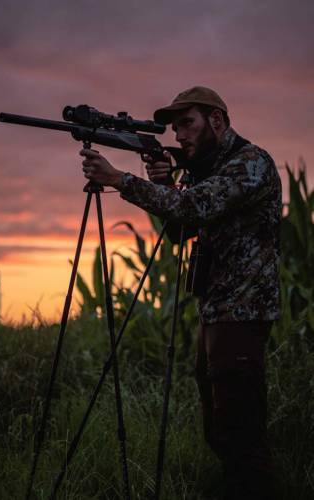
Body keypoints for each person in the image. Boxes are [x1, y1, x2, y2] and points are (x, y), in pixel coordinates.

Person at [80, 86, 282, 500]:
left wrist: (119, 179)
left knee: (240, 432)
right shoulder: (204, 171)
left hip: (243, 312)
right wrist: (166, 187)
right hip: (216, 309)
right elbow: (180, 231)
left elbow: (194, 210)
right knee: (219, 427)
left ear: (217, 120)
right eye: (174, 128)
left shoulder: (250, 163)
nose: (179, 135)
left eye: (187, 123)